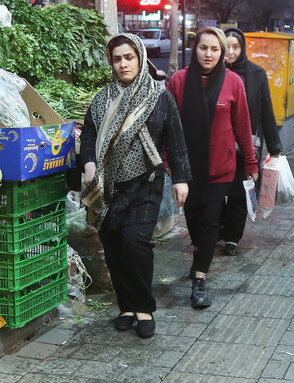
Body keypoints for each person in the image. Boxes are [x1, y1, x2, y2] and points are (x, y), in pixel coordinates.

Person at [79, 34, 190, 339]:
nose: (123, 64)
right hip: (109, 186)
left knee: (135, 243)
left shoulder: (159, 96)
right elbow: (88, 136)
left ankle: (144, 308)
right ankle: (126, 307)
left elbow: (175, 140)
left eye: (129, 57)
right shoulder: (102, 100)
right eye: (117, 59)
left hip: (146, 183)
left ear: (140, 58)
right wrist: (89, 164)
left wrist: (181, 179)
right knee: (114, 247)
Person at [168, 27, 258, 309]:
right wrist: (170, 163)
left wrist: (251, 162)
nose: (208, 54)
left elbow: (242, 126)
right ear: (195, 49)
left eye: (215, 49)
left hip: (221, 168)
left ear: (223, 53)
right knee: (193, 219)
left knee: (209, 221)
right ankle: (200, 258)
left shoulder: (233, 82)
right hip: (188, 168)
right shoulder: (179, 81)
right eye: (203, 48)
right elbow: (169, 127)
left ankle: (200, 279)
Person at [219, 28, 282, 256]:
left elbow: (266, 110)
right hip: (218, 144)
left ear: (243, 48)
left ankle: (232, 237)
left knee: (242, 190)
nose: (231, 52)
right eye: (227, 47)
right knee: (216, 189)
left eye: (236, 47)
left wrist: (274, 147)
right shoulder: (212, 72)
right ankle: (219, 227)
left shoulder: (256, 74)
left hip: (248, 144)